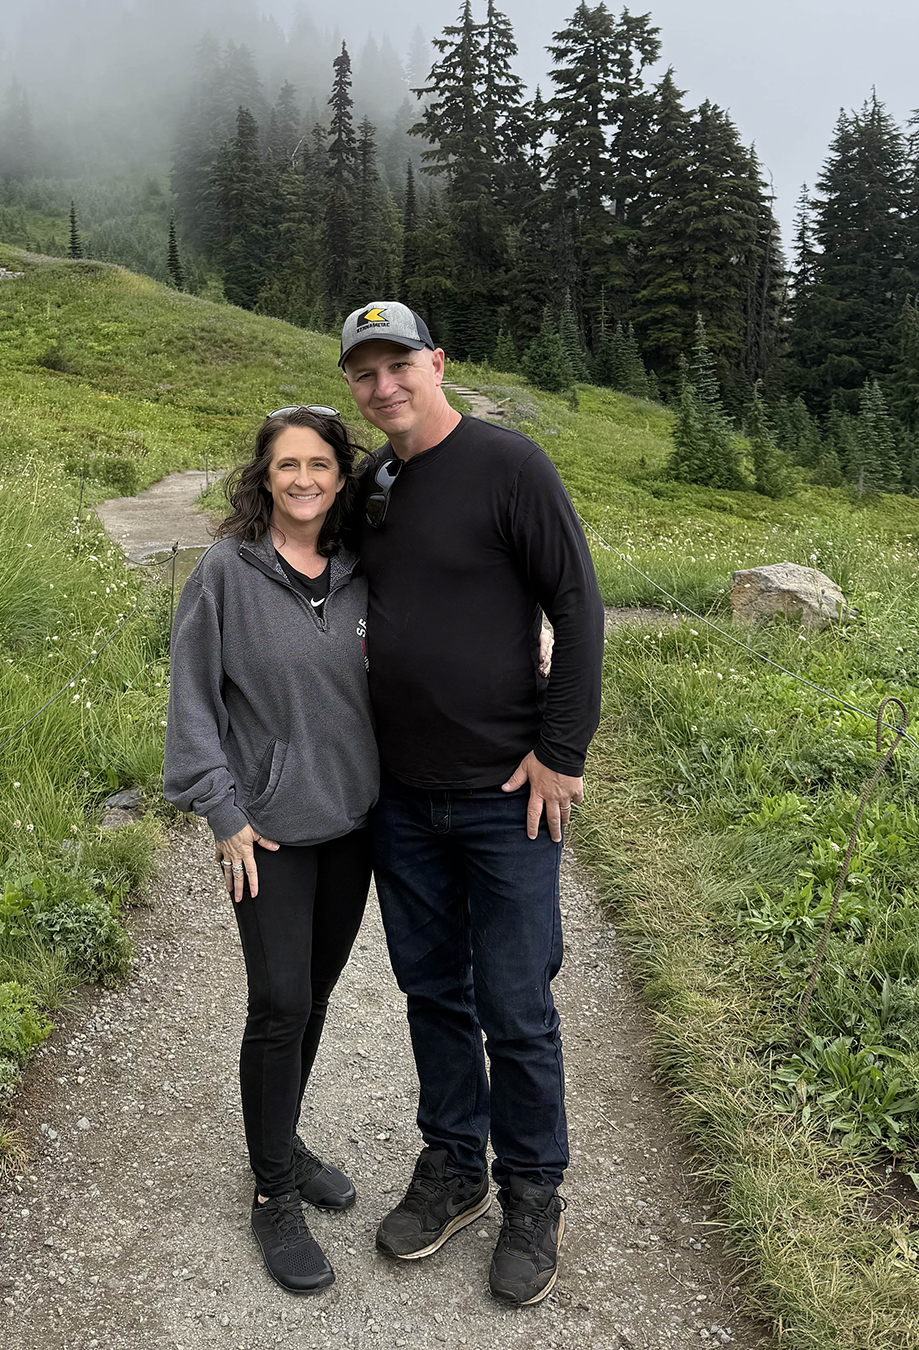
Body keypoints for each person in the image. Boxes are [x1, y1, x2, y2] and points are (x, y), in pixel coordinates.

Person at [339, 301, 605, 1307]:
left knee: (516, 1005)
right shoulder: (374, 489)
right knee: (431, 993)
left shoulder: (510, 467)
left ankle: (534, 1190)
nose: (383, 387)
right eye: (364, 373)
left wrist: (559, 752)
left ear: (436, 363)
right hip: (401, 802)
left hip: (508, 798)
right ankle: (455, 1165)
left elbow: (577, 605)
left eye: (397, 364)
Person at [163, 406, 379, 1296]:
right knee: (280, 1000)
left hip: (354, 827)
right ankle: (272, 1194)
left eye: (320, 464)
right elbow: (191, 697)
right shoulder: (227, 572)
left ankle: (280, 1131)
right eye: (287, 465)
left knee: (317, 997)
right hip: (268, 833)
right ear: (264, 476)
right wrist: (220, 811)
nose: (303, 479)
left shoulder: (365, 572)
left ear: (340, 476)